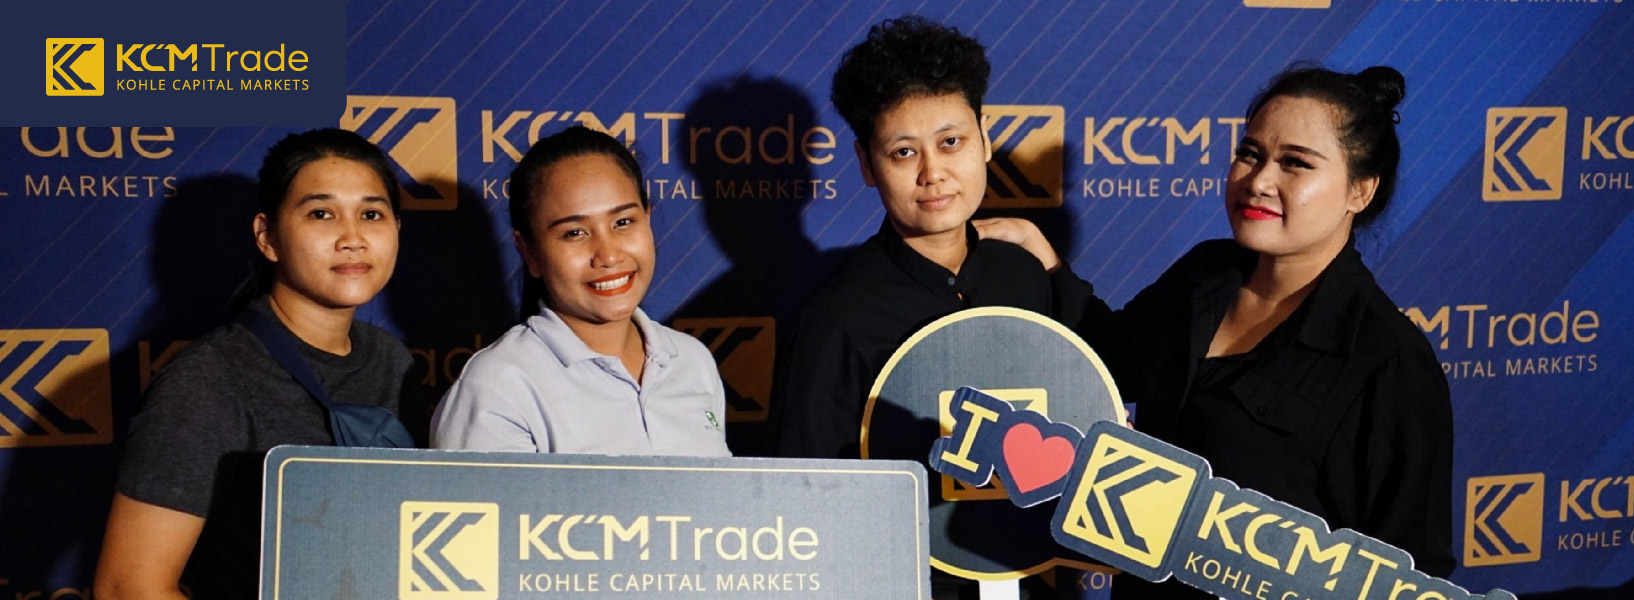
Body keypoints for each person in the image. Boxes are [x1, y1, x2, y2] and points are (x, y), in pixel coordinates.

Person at [979, 66, 1455, 596]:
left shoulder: (1389, 362)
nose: (1259, 181)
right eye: (1250, 154)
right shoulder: (1204, 274)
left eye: (1296, 163)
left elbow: (1414, 572)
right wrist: (1043, 261)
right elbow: (1109, 364)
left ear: (1360, 191)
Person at [95, 129, 413, 600]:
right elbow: (128, 587)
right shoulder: (211, 379)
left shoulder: (393, 360)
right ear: (268, 237)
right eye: (321, 214)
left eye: (371, 214)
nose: (352, 239)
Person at [772, 15, 1062, 460]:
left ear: (984, 140)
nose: (933, 173)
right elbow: (811, 488)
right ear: (867, 164)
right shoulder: (838, 320)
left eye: (951, 143)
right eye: (903, 152)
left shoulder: (1022, 275)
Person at [431, 126, 729, 456]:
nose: (608, 255)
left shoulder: (692, 361)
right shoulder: (496, 388)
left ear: (647, 218)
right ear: (529, 251)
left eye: (623, 222)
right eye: (574, 233)